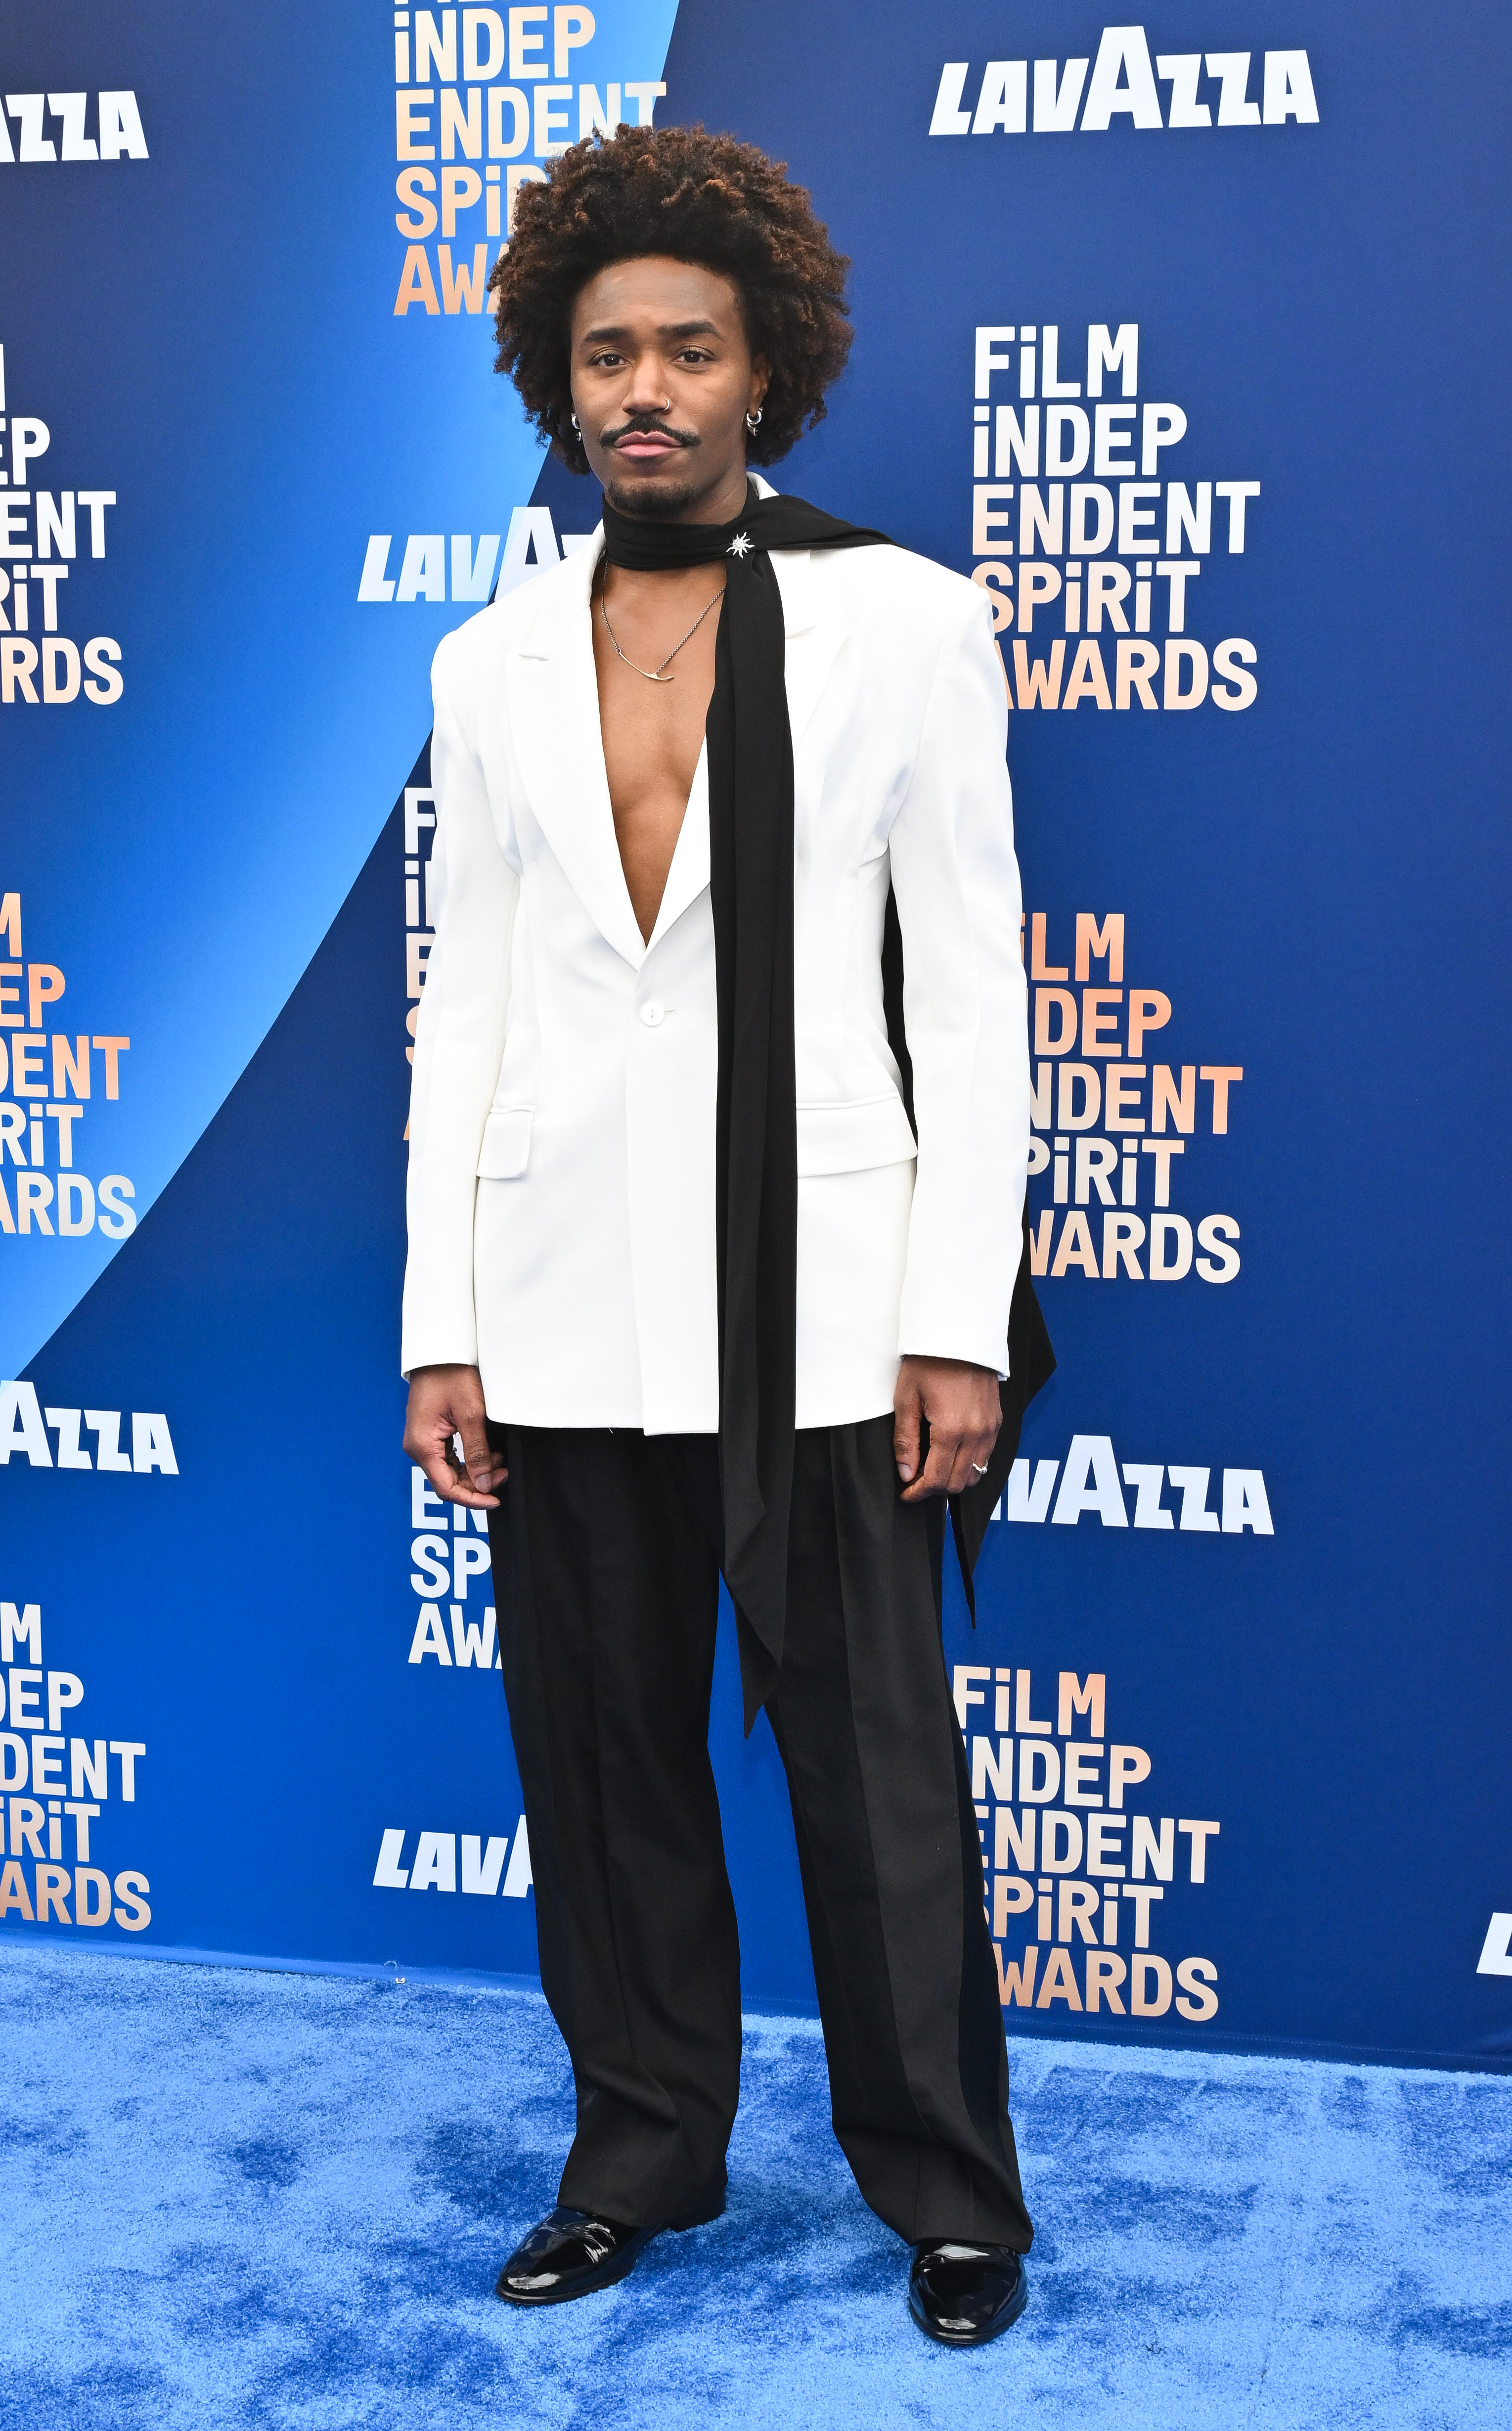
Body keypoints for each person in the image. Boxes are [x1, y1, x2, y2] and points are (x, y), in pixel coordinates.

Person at [400, 123, 1050, 2348]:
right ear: (554, 381)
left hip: (832, 1312)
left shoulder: (901, 616)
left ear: (763, 371)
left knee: (879, 1780)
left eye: (688, 346)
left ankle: (951, 2193)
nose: (644, 386)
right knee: (601, 1768)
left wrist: (954, 1321)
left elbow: (972, 994)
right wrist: (441, 1321)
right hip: (564, 1305)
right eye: (606, 352)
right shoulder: (489, 664)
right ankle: (638, 2151)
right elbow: (461, 1004)